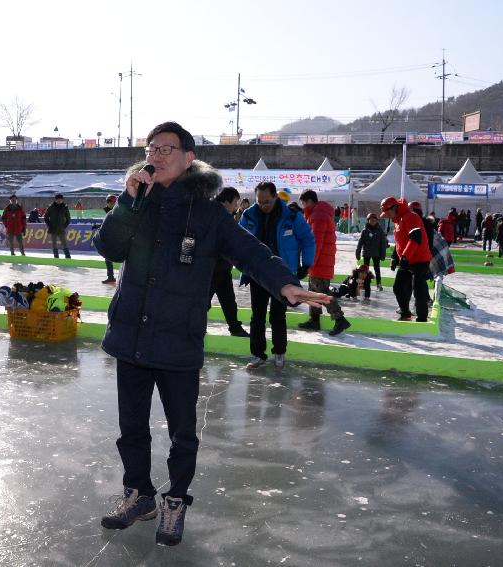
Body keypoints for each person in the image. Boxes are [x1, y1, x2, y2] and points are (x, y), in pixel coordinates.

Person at [93, 121, 330, 546]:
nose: (157, 155)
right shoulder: (137, 203)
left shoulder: (205, 214)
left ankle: (176, 499)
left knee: (183, 431)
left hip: (178, 341)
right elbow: (108, 247)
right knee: (132, 428)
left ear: (188, 159)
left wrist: (285, 284)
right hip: (131, 336)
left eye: (167, 148)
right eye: (152, 148)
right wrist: (127, 203)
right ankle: (139, 495)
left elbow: (251, 252)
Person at [242, 184, 317, 361]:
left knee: (277, 314)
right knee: (257, 315)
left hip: (282, 274)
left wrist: (306, 264)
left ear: (276, 197)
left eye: (266, 201)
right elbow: (238, 241)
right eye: (259, 201)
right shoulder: (249, 215)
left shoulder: (291, 216)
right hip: (258, 272)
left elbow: (307, 239)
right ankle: (257, 354)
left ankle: (279, 352)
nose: (262, 205)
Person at [297, 190, 351, 336]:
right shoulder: (319, 213)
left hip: (319, 262)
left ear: (309, 201)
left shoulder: (318, 216)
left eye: (303, 203)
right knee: (314, 292)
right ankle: (314, 320)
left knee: (321, 293)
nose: (303, 206)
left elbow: (315, 242)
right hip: (321, 261)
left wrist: (309, 262)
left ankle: (340, 319)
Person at [381, 197, 432, 322]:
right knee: (398, 287)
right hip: (407, 259)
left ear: (394, 208)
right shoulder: (398, 221)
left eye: (388, 213)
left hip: (420, 260)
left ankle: (422, 318)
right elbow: (400, 243)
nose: (388, 216)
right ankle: (405, 312)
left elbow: (415, 238)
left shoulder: (411, 217)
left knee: (418, 289)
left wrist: (405, 256)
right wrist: (395, 257)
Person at [209, 187, 250, 337]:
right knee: (203, 301)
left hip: (222, 267)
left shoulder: (225, 216)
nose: (236, 207)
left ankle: (235, 327)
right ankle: (191, 327)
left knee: (228, 301)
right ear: (226, 202)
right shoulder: (215, 216)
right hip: (210, 268)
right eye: (235, 203)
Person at [356, 212, 388, 291]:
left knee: (377, 269)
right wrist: (358, 251)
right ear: (368, 221)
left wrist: (383, 254)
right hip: (367, 253)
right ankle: (364, 283)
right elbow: (360, 242)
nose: (373, 221)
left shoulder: (380, 231)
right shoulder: (364, 231)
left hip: (376, 253)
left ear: (377, 221)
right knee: (364, 270)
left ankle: (379, 283)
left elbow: (383, 243)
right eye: (371, 220)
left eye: (374, 220)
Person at [45, 193, 72, 258]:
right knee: (54, 244)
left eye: (60, 199)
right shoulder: (51, 207)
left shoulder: (65, 207)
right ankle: (56, 257)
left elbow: (68, 219)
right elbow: (46, 217)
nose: (59, 201)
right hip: (53, 229)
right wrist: (50, 225)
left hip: (61, 229)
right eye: (58, 200)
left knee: (64, 243)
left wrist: (64, 226)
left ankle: (68, 257)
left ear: (62, 200)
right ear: (55, 200)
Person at [102, 195, 118, 283]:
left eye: (113, 202)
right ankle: (110, 276)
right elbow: (105, 223)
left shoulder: (119, 211)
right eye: (109, 202)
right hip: (109, 237)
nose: (111, 204)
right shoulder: (106, 211)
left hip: (119, 237)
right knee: (107, 257)